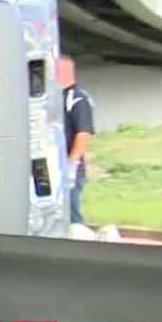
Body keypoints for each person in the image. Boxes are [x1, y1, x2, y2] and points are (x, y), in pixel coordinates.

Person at [59, 54, 95, 226]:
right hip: (55, 169)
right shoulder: (56, 97)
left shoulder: (77, 98)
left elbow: (83, 133)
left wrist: (71, 165)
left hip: (69, 169)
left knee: (72, 215)